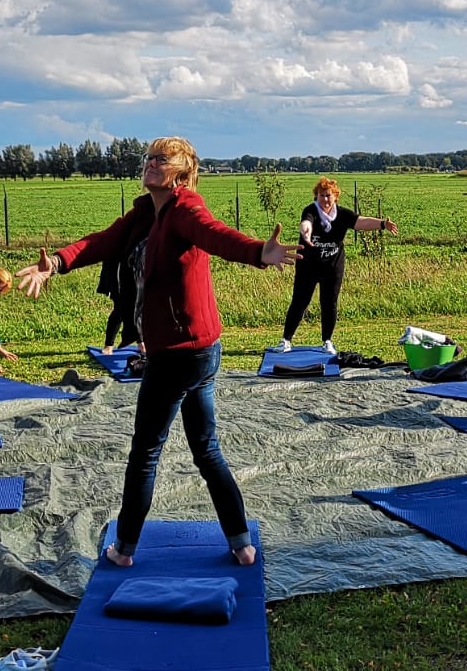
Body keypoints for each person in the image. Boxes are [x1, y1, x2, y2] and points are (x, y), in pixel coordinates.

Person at [15, 137, 299, 567]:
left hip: (179, 355)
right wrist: (55, 262)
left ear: (181, 171)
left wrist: (259, 252)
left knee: (145, 452)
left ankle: (124, 549)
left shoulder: (185, 208)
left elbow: (216, 235)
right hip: (200, 349)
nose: (150, 164)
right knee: (206, 449)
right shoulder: (147, 213)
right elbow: (102, 242)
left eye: (160, 159)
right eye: (147, 158)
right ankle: (241, 543)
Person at [275, 176, 398, 354]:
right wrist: (306, 231)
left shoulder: (342, 214)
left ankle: (327, 341)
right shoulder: (310, 210)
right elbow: (306, 222)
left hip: (332, 267)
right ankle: (286, 341)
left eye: (328, 196)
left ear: (335, 197)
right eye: (321, 195)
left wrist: (382, 224)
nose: (325, 199)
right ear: (316, 196)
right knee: (300, 301)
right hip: (308, 267)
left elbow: (360, 222)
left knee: (329, 302)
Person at [96, 252, 141, 355]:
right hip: (116, 271)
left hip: (134, 269)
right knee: (120, 310)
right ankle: (109, 345)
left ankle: (140, 342)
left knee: (137, 308)